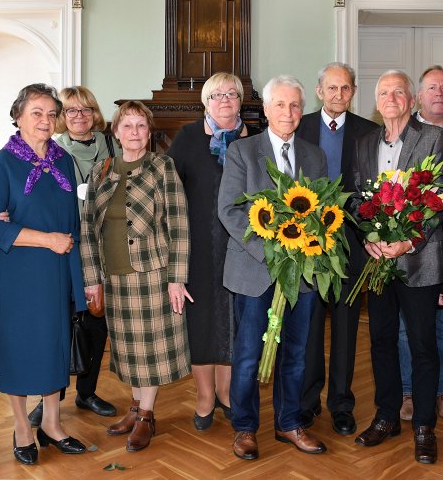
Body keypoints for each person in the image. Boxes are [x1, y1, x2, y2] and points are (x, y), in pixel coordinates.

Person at [217, 75, 328, 460]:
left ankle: (289, 422)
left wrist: (307, 250)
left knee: (295, 353)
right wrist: (272, 253)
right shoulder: (242, 152)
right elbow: (230, 210)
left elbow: (324, 212)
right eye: (280, 105)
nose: (288, 112)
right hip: (255, 272)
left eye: (295, 105)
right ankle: (245, 428)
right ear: (265, 110)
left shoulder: (315, 156)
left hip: (304, 275)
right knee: (248, 356)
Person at [0, 83, 87, 465]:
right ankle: (23, 427)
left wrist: (78, 279)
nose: (45, 120)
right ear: (18, 117)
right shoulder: (0, 164)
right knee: (21, 349)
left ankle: (53, 425)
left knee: (55, 346)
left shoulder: (63, 161)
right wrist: (46, 239)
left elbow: (74, 224)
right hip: (19, 276)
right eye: (36, 112)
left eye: (50, 113)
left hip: (58, 271)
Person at [352, 69, 443, 464]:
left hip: (419, 261)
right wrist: (368, 237)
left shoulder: (435, 138)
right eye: (384, 92)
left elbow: (440, 196)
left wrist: (409, 240)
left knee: (423, 343)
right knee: (380, 341)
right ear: (376, 103)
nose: (391, 97)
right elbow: (358, 199)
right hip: (378, 263)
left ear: (411, 101)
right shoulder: (363, 143)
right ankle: (386, 415)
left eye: (398, 92)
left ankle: (424, 424)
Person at [80, 101, 191, 453]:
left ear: (149, 131)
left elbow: (179, 225)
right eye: (127, 126)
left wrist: (177, 278)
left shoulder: (162, 166)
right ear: (115, 132)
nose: (134, 133)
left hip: (152, 275)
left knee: (151, 351)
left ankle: (146, 415)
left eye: (141, 126)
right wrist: (91, 277)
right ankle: (134, 407)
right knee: (128, 351)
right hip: (113, 277)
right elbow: (86, 229)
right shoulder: (101, 169)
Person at [168, 73, 259, 431]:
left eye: (232, 94)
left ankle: (226, 392)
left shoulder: (254, 140)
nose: (225, 100)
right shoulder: (189, 138)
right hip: (198, 249)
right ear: (205, 102)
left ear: (241, 102)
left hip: (242, 248)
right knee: (202, 324)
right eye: (216, 95)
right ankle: (204, 396)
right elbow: (170, 193)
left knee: (234, 324)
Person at [26, 86, 118, 426]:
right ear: (62, 117)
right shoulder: (50, 150)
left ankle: (88, 391)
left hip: (103, 246)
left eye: (86, 109)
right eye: (71, 110)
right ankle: (48, 400)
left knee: (97, 323)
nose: (79, 116)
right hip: (63, 247)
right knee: (59, 324)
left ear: (95, 113)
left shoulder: (111, 146)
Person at [295, 62, 378, 436]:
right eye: (331, 88)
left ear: (353, 91)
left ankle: (342, 404)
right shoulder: (300, 126)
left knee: (345, 328)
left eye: (345, 88)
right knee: (310, 326)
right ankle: (307, 401)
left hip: (350, 247)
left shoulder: (368, 132)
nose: (338, 95)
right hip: (308, 246)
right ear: (319, 91)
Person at [398, 65, 443, 424]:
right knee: (407, 325)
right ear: (418, 96)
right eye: (432, 88)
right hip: (412, 246)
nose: (439, 93)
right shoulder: (403, 134)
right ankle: (409, 391)